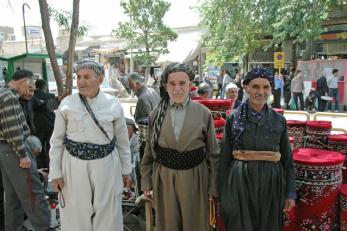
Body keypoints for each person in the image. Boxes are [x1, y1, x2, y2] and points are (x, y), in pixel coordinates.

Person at [49, 60, 132, 230]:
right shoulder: (67, 104)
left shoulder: (113, 103)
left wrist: (126, 170)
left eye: (86, 77)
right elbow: (56, 141)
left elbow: (123, 142)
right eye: (78, 77)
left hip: (107, 164)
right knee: (75, 211)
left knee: (107, 210)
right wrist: (55, 173)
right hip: (73, 165)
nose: (81, 81)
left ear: (100, 79)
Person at [141, 63, 220, 231]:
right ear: (165, 86)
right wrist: (146, 181)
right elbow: (149, 150)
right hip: (164, 178)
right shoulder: (156, 113)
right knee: (168, 224)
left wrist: (213, 186)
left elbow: (213, 154)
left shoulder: (203, 113)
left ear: (191, 85)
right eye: (172, 83)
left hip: (195, 178)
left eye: (182, 83)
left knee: (195, 223)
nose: (177, 88)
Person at [220, 67, 296, 231]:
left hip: (272, 184)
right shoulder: (233, 118)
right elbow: (224, 159)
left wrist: (290, 193)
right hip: (240, 183)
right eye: (255, 87)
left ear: (271, 89)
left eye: (265, 87)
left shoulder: (279, 120)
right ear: (246, 87)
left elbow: (288, 161)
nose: (260, 91)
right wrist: (223, 193)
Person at [0, 69, 50, 231]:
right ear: (22, 81)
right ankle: (43, 227)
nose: (30, 90)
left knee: (13, 197)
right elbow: (12, 129)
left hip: (6, 150)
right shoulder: (10, 97)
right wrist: (22, 155)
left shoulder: (3, 93)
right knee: (33, 193)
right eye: (29, 85)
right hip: (15, 149)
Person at [33, 79, 60, 169]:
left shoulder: (32, 96)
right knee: (50, 147)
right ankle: (50, 166)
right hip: (50, 124)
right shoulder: (50, 95)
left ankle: (40, 167)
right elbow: (54, 107)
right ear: (45, 86)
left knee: (39, 147)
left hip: (38, 126)